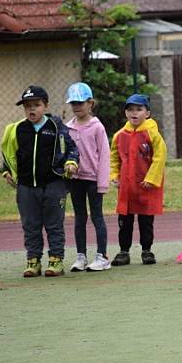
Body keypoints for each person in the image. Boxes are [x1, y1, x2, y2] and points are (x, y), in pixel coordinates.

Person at [1, 85, 79, 277]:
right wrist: (7, 171)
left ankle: (56, 261)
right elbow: (10, 154)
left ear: (45, 106)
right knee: (31, 225)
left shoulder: (56, 127)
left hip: (53, 184)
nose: (31, 109)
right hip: (26, 186)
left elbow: (71, 148)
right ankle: (33, 261)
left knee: (54, 225)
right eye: (27, 106)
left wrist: (71, 163)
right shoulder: (17, 129)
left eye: (36, 105)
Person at [109, 93, 166, 266]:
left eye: (139, 109)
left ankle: (146, 250)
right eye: (130, 110)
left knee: (146, 220)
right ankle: (123, 251)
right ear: (125, 113)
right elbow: (114, 158)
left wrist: (151, 179)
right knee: (124, 221)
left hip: (146, 186)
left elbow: (160, 157)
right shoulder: (119, 135)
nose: (134, 113)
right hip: (126, 188)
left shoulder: (153, 135)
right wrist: (114, 176)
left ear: (147, 113)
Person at [64, 82, 111, 272]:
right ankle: (81, 256)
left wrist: (102, 183)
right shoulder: (67, 128)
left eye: (80, 103)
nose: (77, 107)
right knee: (79, 217)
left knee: (97, 216)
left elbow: (104, 157)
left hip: (93, 180)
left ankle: (102, 256)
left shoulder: (97, 127)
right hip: (75, 181)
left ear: (90, 103)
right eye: (73, 103)